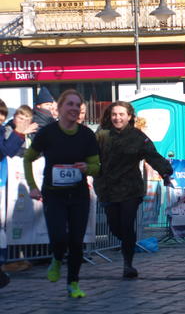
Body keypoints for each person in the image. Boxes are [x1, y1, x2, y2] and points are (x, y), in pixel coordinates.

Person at [23, 90, 100, 298]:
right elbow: (28, 158)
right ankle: (57, 258)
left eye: (77, 105)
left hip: (79, 196)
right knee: (58, 237)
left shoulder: (87, 135)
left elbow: (96, 166)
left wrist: (87, 168)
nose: (74, 108)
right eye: (70, 104)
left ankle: (73, 283)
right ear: (59, 108)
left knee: (76, 241)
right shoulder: (47, 133)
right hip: (54, 195)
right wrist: (32, 186)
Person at [94, 101, 173, 278]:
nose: (117, 118)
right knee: (115, 227)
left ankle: (128, 264)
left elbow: (152, 155)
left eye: (121, 114)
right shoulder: (102, 134)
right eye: (114, 114)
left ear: (129, 116)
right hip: (107, 188)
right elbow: (89, 154)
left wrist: (165, 172)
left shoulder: (138, 136)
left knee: (127, 224)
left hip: (130, 188)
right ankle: (127, 242)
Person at [0, 100, 37, 288]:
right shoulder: (5, 130)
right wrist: (20, 132)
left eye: (2, 114)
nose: (1, 118)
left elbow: (9, 151)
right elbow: (6, 150)